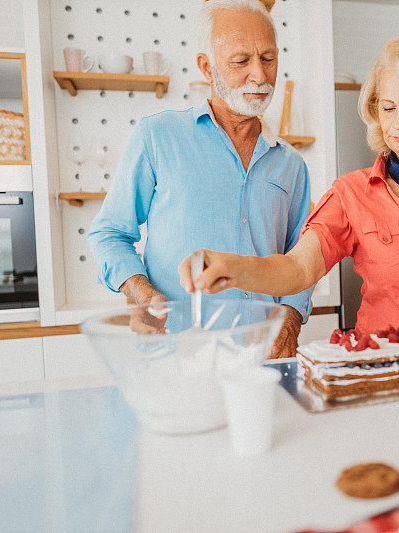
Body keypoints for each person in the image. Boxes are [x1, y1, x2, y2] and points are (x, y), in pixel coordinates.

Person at [178, 34, 399, 339]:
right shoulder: (350, 195)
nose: (398, 123)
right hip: (389, 372)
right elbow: (299, 268)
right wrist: (235, 268)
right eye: (387, 108)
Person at [88, 0, 314, 356]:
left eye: (268, 59)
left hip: (264, 360)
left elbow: (302, 259)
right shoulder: (157, 137)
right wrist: (141, 293)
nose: (259, 75)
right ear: (207, 68)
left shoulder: (292, 165)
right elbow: (109, 234)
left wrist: (289, 320)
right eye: (241, 61)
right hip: (176, 353)